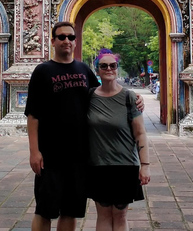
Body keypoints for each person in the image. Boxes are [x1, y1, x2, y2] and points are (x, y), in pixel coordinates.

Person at [25, 23, 144, 231]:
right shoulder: (42, 71)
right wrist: (34, 151)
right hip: (51, 153)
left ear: (75, 41)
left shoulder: (83, 70)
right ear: (53, 41)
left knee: (71, 210)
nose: (66, 41)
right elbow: (33, 115)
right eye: (61, 37)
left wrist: (135, 98)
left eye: (71, 37)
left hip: (80, 155)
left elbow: (105, 91)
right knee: (45, 209)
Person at [87, 49, 150, 231]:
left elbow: (140, 133)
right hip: (97, 165)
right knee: (103, 214)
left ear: (117, 68)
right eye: (103, 66)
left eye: (112, 65)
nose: (108, 69)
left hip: (124, 166)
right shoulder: (89, 96)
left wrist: (145, 165)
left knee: (120, 215)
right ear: (97, 70)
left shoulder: (129, 97)